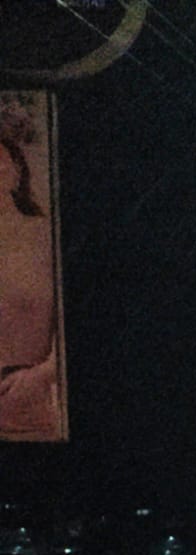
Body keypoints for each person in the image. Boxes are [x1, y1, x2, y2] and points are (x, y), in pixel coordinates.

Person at [0, 95, 63, 442]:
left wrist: (41, 377)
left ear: (15, 167)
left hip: (31, 409)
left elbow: (79, 320)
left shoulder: (45, 238)